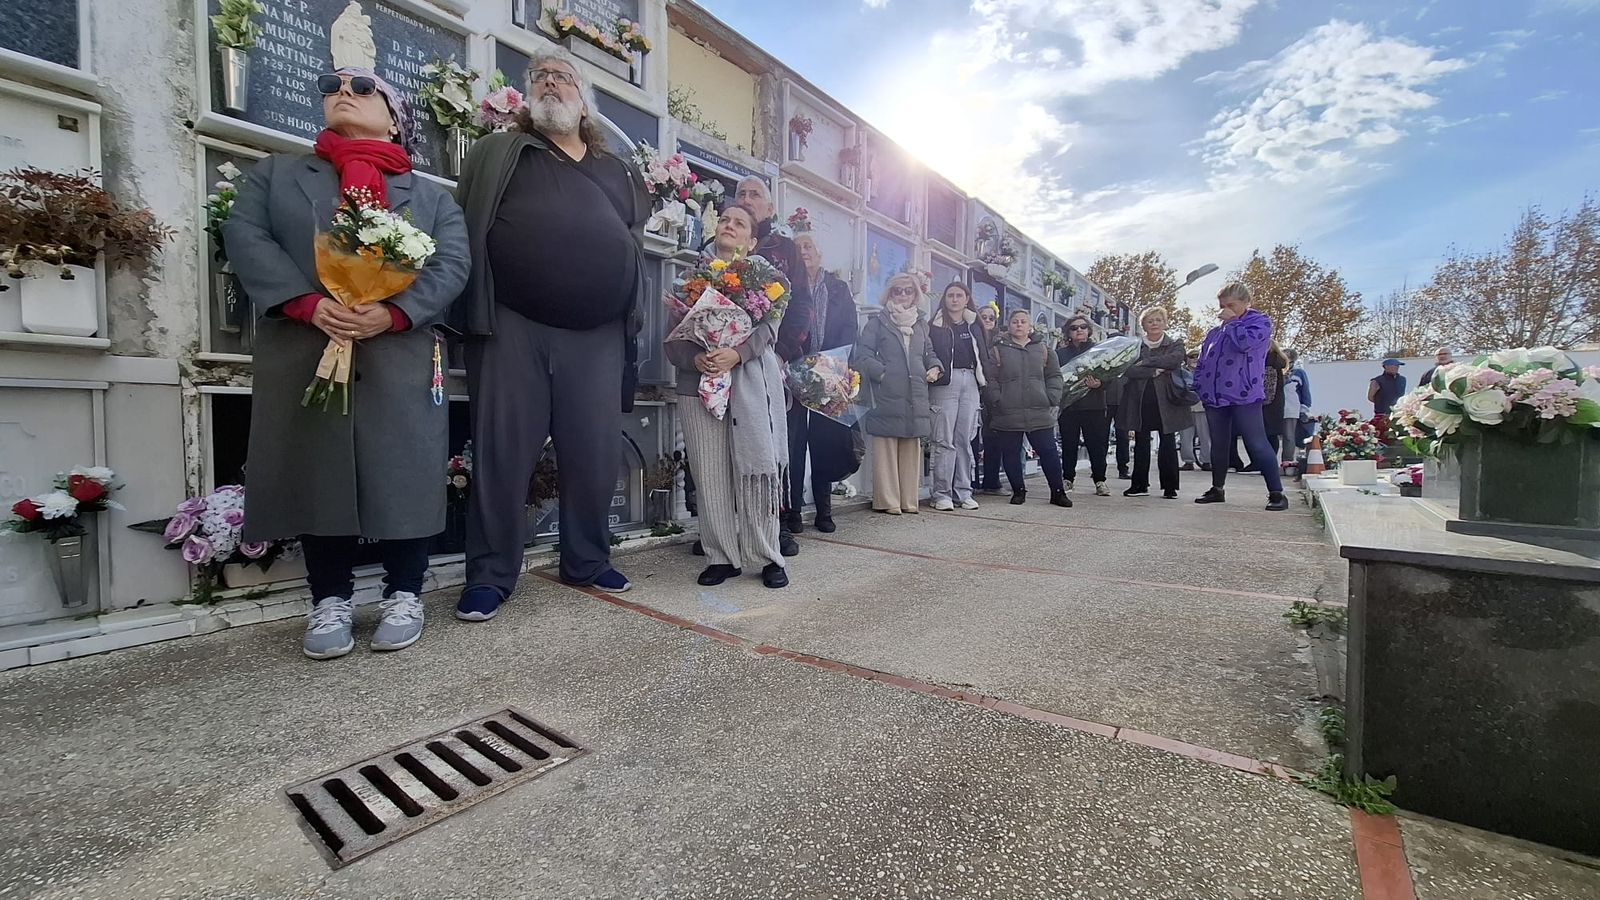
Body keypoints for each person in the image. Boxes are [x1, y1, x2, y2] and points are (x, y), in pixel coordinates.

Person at [225, 68, 470, 659]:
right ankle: (329, 598)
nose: (342, 93)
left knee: (405, 467)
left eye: (363, 88)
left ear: (394, 115)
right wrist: (308, 303)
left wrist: (396, 312)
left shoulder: (432, 198)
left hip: (398, 353)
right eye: (332, 87)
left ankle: (404, 591)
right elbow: (246, 236)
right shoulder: (279, 176)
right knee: (318, 465)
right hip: (308, 345)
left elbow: (452, 265)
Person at [452, 49, 652, 621]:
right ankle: (491, 574)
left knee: (592, 450)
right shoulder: (500, 152)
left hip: (597, 331)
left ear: (583, 98)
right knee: (502, 452)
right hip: (513, 322)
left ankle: (586, 560)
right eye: (540, 77)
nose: (550, 84)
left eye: (563, 77)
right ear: (527, 94)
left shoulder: (615, 170)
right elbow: (467, 225)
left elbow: (631, 242)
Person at [665, 206, 789, 589]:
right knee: (710, 474)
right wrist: (697, 357)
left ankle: (767, 555)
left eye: (740, 223)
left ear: (752, 241)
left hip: (749, 382)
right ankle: (721, 556)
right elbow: (673, 343)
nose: (729, 225)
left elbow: (769, 330)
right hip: (698, 386)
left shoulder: (768, 281)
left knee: (756, 470)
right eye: (724, 220)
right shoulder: (689, 280)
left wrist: (737, 353)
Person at [734, 176, 814, 555]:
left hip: (772, 362)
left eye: (755, 195)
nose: (747, 201)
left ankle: (777, 524)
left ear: (769, 207)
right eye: (740, 194)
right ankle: (730, 525)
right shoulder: (721, 243)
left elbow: (800, 305)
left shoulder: (784, 249)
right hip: (727, 363)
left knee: (774, 446)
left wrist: (780, 352)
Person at [787, 234, 859, 533]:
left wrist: (833, 365)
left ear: (819, 254)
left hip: (827, 374)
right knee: (793, 446)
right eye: (798, 248)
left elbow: (850, 327)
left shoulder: (838, 288)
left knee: (824, 444)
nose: (804, 252)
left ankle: (824, 510)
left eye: (808, 247)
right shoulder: (788, 285)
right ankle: (792, 512)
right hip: (792, 373)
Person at [1194, 283, 1289, 511]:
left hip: (1244, 393)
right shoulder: (1215, 332)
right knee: (1219, 444)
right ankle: (1217, 488)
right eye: (1222, 306)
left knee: (1256, 442)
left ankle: (1276, 493)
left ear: (1246, 303)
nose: (1225, 310)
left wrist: (1233, 322)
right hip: (1214, 395)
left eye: (1231, 305)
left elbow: (1244, 344)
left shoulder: (1259, 323)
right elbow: (1203, 360)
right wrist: (1199, 383)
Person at [852, 274, 940, 514]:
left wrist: (935, 366)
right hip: (887, 394)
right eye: (897, 291)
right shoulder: (877, 322)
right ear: (889, 294)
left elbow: (929, 352)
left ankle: (909, 500)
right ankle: (888, 501)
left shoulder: (921, 323)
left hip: (915, 393)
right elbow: (862, 356)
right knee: (886, 448)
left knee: (911, 447)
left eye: (908, 291)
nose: (902, 295)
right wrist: (883, 374)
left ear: (915, 294)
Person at [985, 308, 1070, 508]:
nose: (1019, 325)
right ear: (1009, 325)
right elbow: (990, 378)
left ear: (1030, 325)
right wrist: (997, 399)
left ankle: (1058, 492)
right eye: (1015, 321)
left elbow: (1054, 376)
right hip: (1008, 411)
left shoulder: (1043, 349)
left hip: (1039, 409)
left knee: (1048, 451)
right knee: (1011, 453)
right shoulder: (998, 349)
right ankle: (1018, 490)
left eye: (1023, 321)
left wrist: (1052, 397)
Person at [927, 282, 988, 511]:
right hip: (945, 383)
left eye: (959, 295)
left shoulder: (974, 324)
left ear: (966, 298)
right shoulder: (935, 325)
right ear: (945, 299)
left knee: (964, 439)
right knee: (944, 439)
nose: (954, 299)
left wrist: (986, 383)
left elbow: (984, 355)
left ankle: (963, 491)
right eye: (950, 295)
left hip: (970, 380)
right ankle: (941, 494)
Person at [1119, 308, 1191, 499]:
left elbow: (1175, 360)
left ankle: (1170, 487)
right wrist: (1153, 370)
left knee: (1167, 442)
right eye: (1150, 321)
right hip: (1140, 400)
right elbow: (1128, 369)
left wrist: (1145, 362)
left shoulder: (1175, 343)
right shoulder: (1135, 346)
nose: (1155, 323)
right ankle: (1139, 485)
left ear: (1165, 323)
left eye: (1159, 320)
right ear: (1143, 325)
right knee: (1141, 442)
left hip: (1166, 401)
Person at [1056, 315, 1111, 496]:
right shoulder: (1060, 354)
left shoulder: (1099, 351)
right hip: (1069, 407)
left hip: (1093, 405)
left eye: (1082, 327)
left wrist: (1099, 384)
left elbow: (1110, 377)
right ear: (1068, 333)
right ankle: (1068, 479)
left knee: (1096, 445)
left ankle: (1100, 480)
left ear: (1088, 330)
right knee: (1069, 444)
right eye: (1074, 328)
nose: (1079, 330)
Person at [973, 303, 1012, 494]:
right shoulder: (971, 335)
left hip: (994, 392)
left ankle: (992, 481)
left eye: (991, 317)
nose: (987, 320)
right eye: (983, 316)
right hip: (972, 390)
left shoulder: (1002, 342)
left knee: (993, 438)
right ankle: (971, 482)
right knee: (970, 438)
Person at [1255, 343, 1288, 463]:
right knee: (1271, 435)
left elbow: (1268, 388)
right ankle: (1269, 460)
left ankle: (1265, 462)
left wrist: (1258, 403)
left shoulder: (1269, 363)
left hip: (1267, 406)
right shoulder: (1276, 362)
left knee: (1266, 435)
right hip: (1275, 405)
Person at [1177, 348, 1205, 471]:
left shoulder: (1205, 371)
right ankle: (1188, 461)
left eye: (1197, 356)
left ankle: (1207, 461)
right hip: (1185, 408)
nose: (1194, 359)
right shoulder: (1181, 372)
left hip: (1202, 407)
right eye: (1191, 357)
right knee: (1185, 437)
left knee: (1205, 436)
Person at [1368, 358, 1408, 431]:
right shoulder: (1377, 380)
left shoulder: (1402, 379)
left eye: (1397, 366)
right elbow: (1370, 397)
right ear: (1386, 367)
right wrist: (1381, 402)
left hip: (1398, 414)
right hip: (1382, 415)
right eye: (1394, 366)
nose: (1396, 368)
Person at [1280, 349, 1305, 467]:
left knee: (1288, 436)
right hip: (1274, 409)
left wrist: (1304, 409)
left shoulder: (1298, 372)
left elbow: (1305, 392)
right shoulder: (1276, 369)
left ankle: (1287, 462)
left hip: (1290, 408)